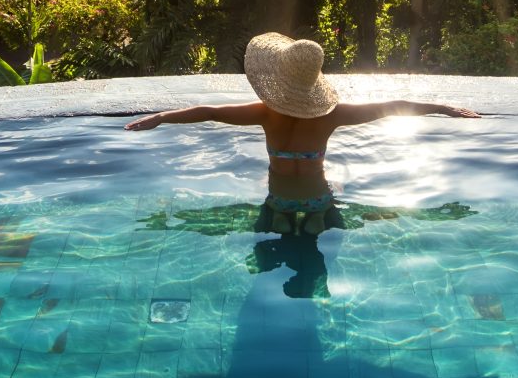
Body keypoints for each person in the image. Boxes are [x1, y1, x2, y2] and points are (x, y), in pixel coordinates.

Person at [125, 32, 479, 235]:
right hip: (319, 203)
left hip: (278, 201)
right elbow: (392, 106)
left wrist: (161, 116)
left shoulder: (264, 113)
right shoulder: (332, 116)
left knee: (263, 242)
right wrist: (444, 108)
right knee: (330, 245)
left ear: (279, 81)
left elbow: (209, 112)